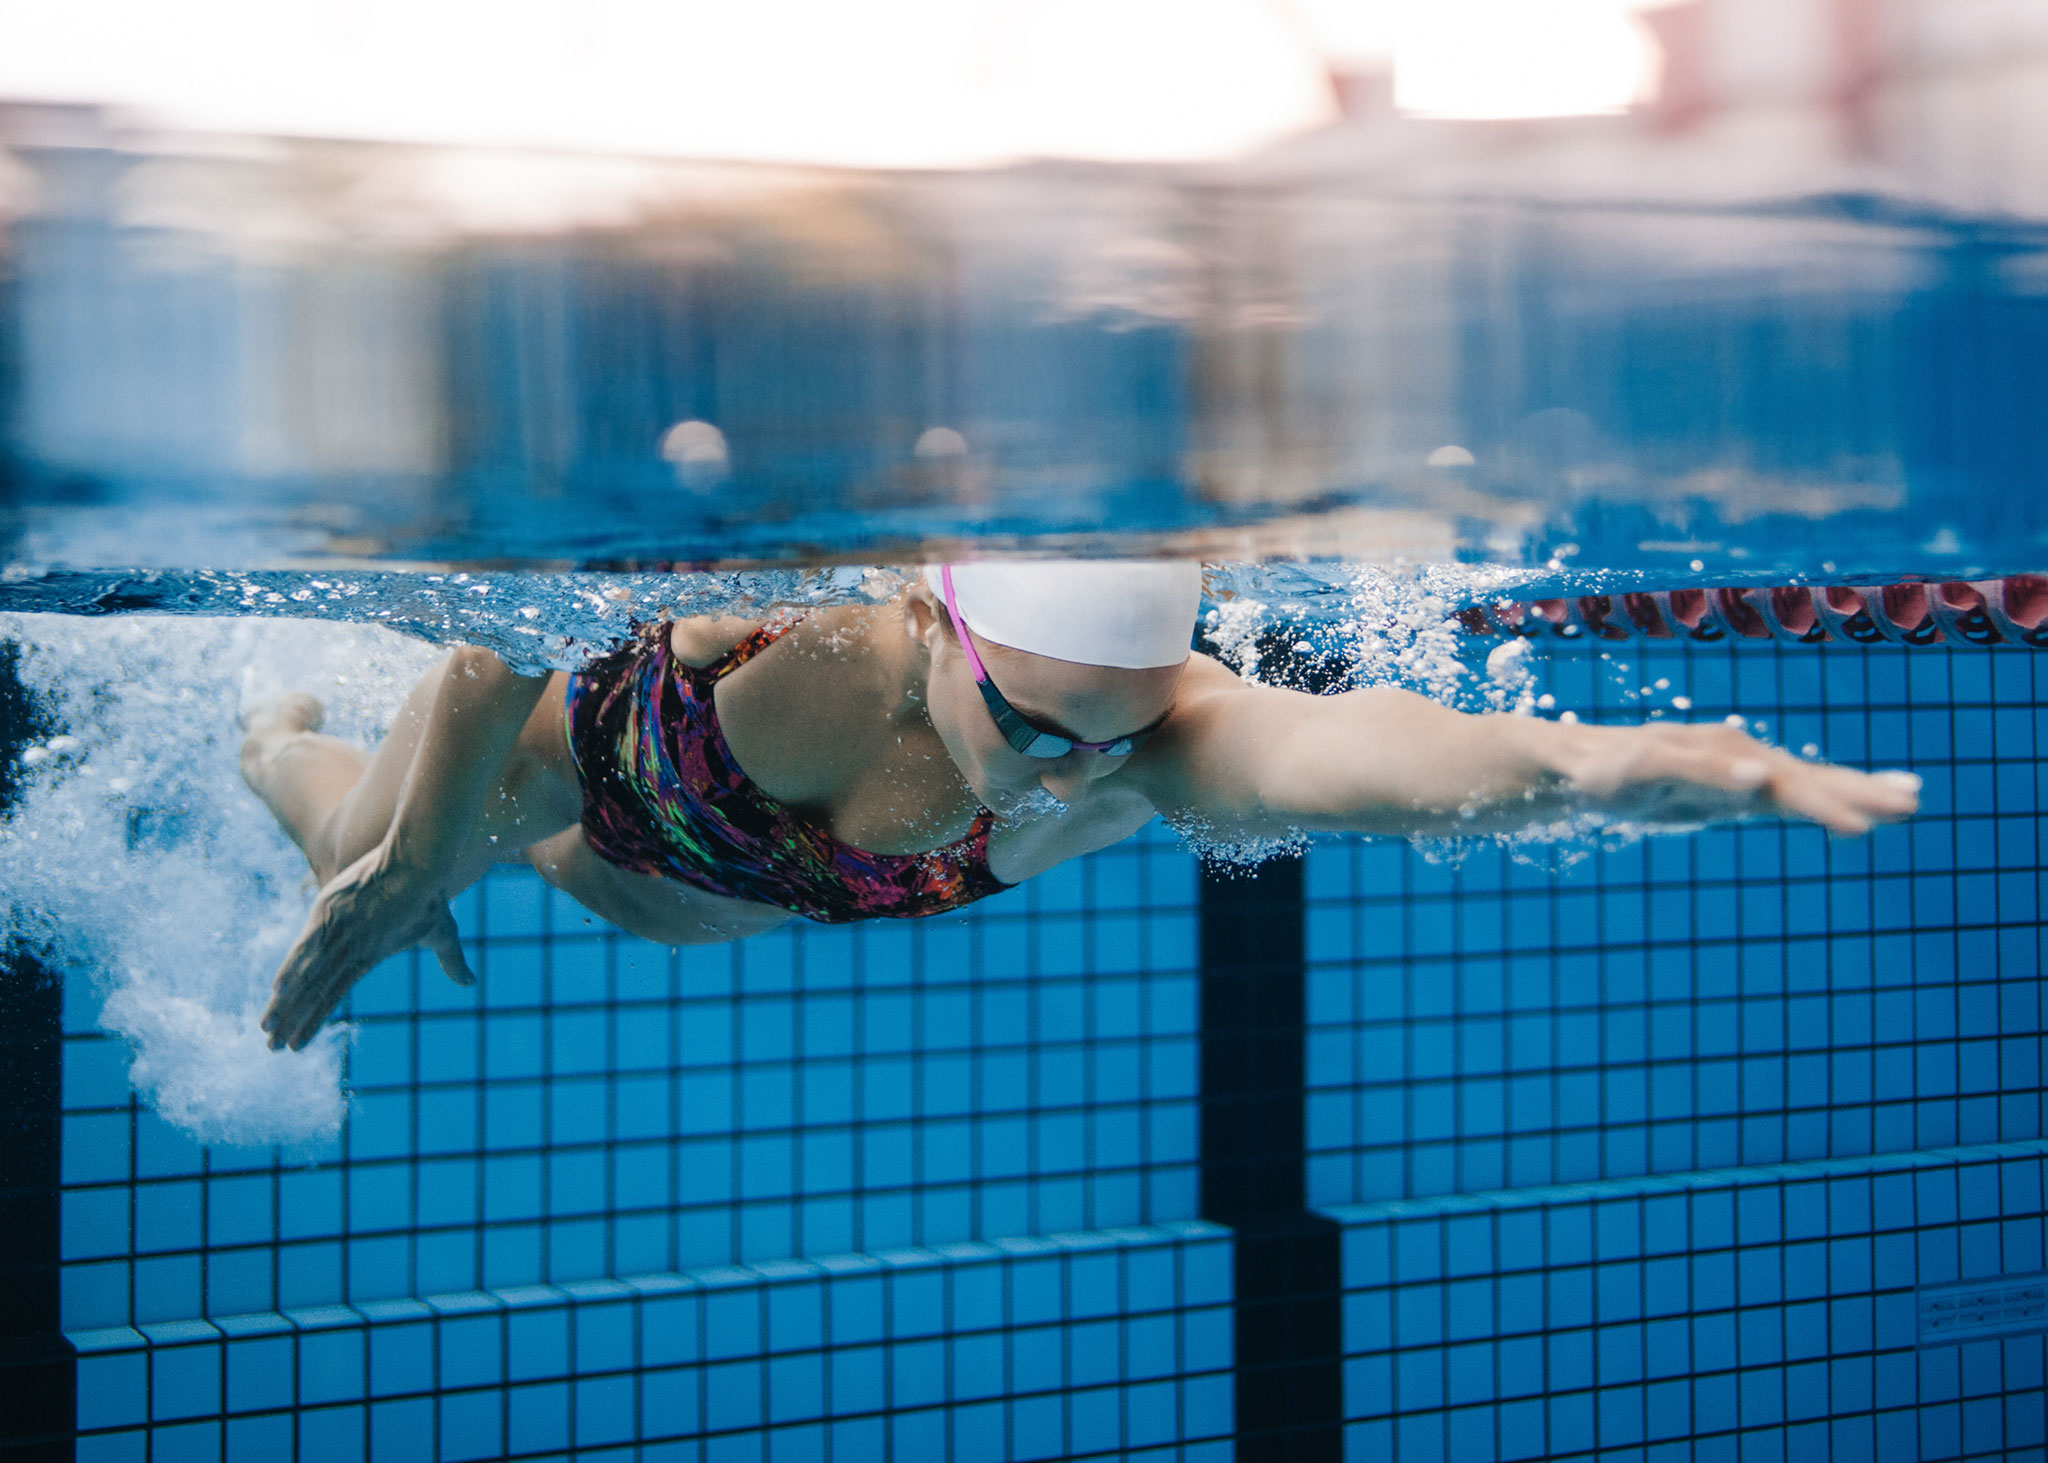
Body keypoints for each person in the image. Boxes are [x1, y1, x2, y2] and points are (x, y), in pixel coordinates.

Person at [242, 561, 1921, 1051]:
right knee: (345, 856)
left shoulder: (1144, 736)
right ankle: (268, 724)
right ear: (941, 631)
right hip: (550, 766)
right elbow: (490, 646)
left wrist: (1593, 770)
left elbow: (1363, 766)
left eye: (1115, 742)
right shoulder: (816, 639)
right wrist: (399, 867)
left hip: (689, 890)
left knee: (519, 883)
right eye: (1040, 727)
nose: (1071, 776)